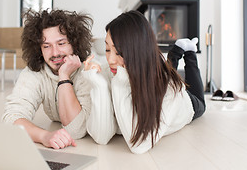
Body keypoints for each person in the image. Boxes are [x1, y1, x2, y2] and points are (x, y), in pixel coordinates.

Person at [83, 10, 205, 154]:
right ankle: (175, 52)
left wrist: (120, 82)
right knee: (164, 69)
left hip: (187, 104)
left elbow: (139, 145)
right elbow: (101, 137)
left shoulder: (171, 89)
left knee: (201, 104)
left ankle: (189, 51)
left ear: (137, 51)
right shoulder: (109, 71)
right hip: (150, 71)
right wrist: (99, 86)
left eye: (119, 53)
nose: (110, 60)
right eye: (107, 49)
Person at [2, 9, 93, 150]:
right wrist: (44, 136)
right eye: (46, 46)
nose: (55, 52)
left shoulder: (87, 71)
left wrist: (64, 77)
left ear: (74, 44)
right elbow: (11, 118)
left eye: (61, 43)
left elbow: (76, 130)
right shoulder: (34, 73)